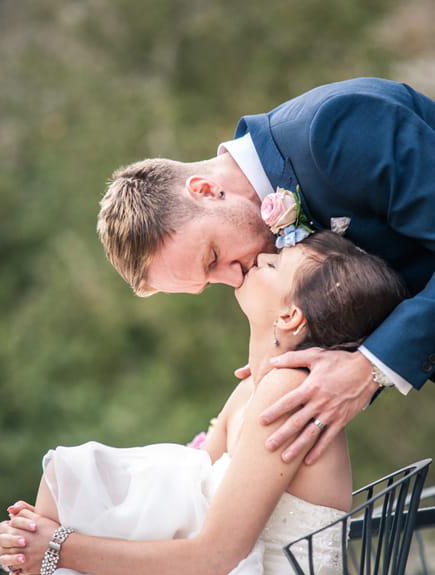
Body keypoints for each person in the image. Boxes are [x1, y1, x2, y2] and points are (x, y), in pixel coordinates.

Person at [0, 232, 407, 575]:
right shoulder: (254, 389)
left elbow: (212, 560)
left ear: (289, 317)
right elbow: (175, 498)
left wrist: (60, 546)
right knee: (71, 483)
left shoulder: (289, 392)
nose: (260, 255)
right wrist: (40, 538)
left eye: (273, 265)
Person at [96, 76, 435, 465]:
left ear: (205, 190)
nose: (235, 278)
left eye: (213, 259)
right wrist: (292, 361)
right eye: (211, 281)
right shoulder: (272, 249)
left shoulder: (333, 129)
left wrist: (369, 366)